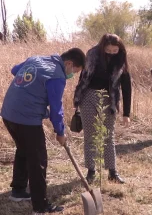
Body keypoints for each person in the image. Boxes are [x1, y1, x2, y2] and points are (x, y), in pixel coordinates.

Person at [0, 48, 86, 214]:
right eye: (74, 71)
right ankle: (40, 206)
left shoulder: (36, 59)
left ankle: (18, 190)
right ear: (68, 63)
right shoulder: (57, 76)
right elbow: (56, 109)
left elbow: (15, 71)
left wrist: (30, 91)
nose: (72, 75)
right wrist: (60, 132)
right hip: (26, 118)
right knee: (38, 159)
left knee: (24, 150)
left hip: (8, 113)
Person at [73, 33, 132, 184]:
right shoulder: (92, 55)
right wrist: (78, 100)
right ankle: (91, 171)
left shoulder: (121, 59)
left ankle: (112, 172)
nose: (112, 53)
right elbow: (83, 78)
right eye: (108, 50)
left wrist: (126, 113)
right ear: (102, 47)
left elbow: (126, 87)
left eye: (115, 51)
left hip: (109, 99)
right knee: (90, 135)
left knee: (108, 135)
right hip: (88, 97)